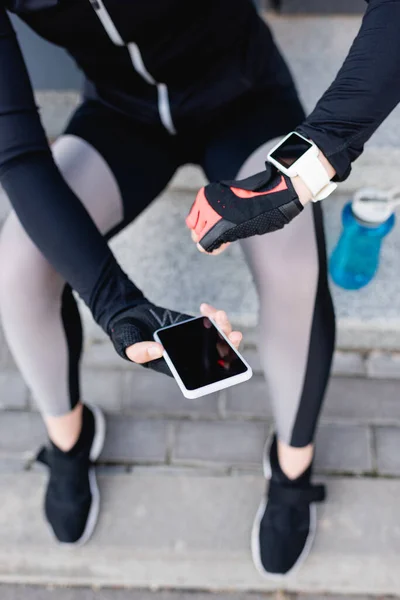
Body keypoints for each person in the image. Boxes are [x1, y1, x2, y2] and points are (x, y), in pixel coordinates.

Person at [0, 0, 390, 578]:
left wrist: (315, 158)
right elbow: (18, 152)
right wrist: (115, 304)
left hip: (245, 98)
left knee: (294, 266)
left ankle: (292, 466)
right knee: (19, 263)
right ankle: (69, 438)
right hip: (120, 113)